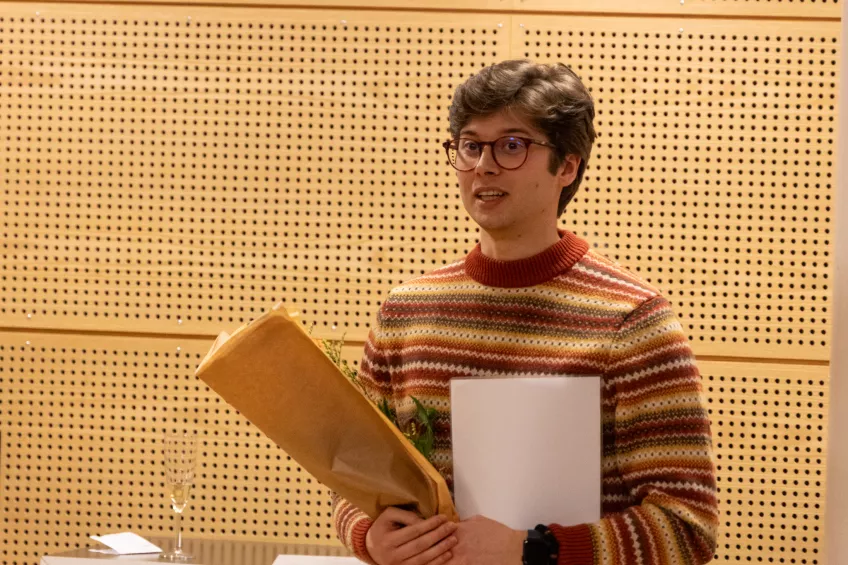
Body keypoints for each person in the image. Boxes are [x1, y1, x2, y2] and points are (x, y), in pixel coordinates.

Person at [331, 59, 719, 565]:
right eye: (470, 145)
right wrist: (368, 536)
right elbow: (353, 484)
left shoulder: (633, 319)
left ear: (568, 165)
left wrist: (531, 550)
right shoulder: (405, 312)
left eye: (512, 145)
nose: (483, 166)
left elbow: (688, 527)